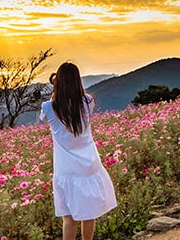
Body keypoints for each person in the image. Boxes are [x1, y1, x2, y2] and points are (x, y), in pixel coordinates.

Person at [39, 62, 116, 240]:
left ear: (57, 82)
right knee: (89, 213)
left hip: (65, 169)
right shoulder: (88, 101)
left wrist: (55, 90)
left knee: (69, 217)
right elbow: (78, 101)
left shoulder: (48, 107)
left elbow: (46, 116)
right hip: (88, 165)